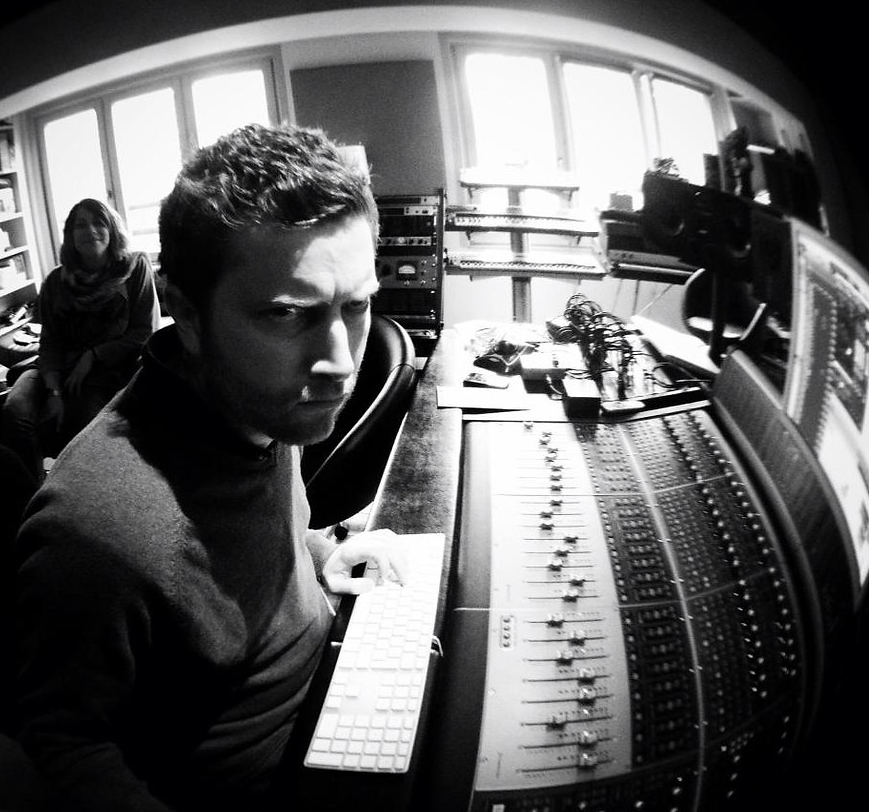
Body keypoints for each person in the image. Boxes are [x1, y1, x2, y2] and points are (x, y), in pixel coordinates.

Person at [11, 123, 408, 812]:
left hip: (331, 711)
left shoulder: (261, 404)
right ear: (187, 315)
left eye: (356, 305)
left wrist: (318, 552)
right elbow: (59, 747)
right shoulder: (96, 529)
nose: (341, 362)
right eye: (286, 315)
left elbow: (239, 551)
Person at [1, 198, 160, 482]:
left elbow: (144, 332)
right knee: (15, 412)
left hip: (105, 373)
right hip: (52, 371)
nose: (90, 230)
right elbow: (50, 343)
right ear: (70, 235)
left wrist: (94, 355)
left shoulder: (135, 267)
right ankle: (36, 492)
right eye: (80, 225)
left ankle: (85, 491)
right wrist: (53, 392)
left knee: (84, 423)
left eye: (99, 222)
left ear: (112, 229)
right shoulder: (55, 281)